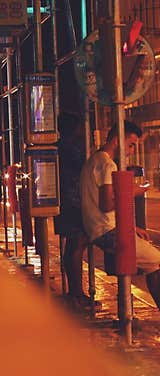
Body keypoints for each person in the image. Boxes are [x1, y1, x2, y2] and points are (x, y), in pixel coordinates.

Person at [80, 120, 160, 340]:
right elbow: (107, 204)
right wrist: (135, 190)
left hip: (101, 229)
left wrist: (132, 227)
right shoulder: (108, 165)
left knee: (152, 265)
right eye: (131, 144)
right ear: (117, 140)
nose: (132, 150)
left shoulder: (93, 161)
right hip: (107, 232)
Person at [54, 112, 96, 309]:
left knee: (72, 245)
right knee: (77, 244)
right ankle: (77, 292)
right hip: (73, 203)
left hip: (65, 202)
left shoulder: (60, 148)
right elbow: (87, 167)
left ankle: (74, 291)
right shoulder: (71, 149)